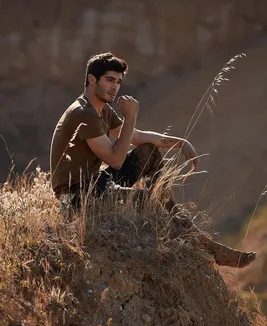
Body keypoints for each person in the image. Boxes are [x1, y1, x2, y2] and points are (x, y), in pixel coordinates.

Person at [50, 52, 256, 268]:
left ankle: (172, 212)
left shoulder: (101, 110)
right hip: (78, 197)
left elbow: (137, 137)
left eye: (119, 82)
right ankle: (204, 244)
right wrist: (130, 117)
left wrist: (181, 143)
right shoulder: (83, 113)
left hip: (98, 183)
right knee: (149, 201)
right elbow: (116, 160)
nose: (115, 87)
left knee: (148, 152)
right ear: (92, 79)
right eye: (110, 80)